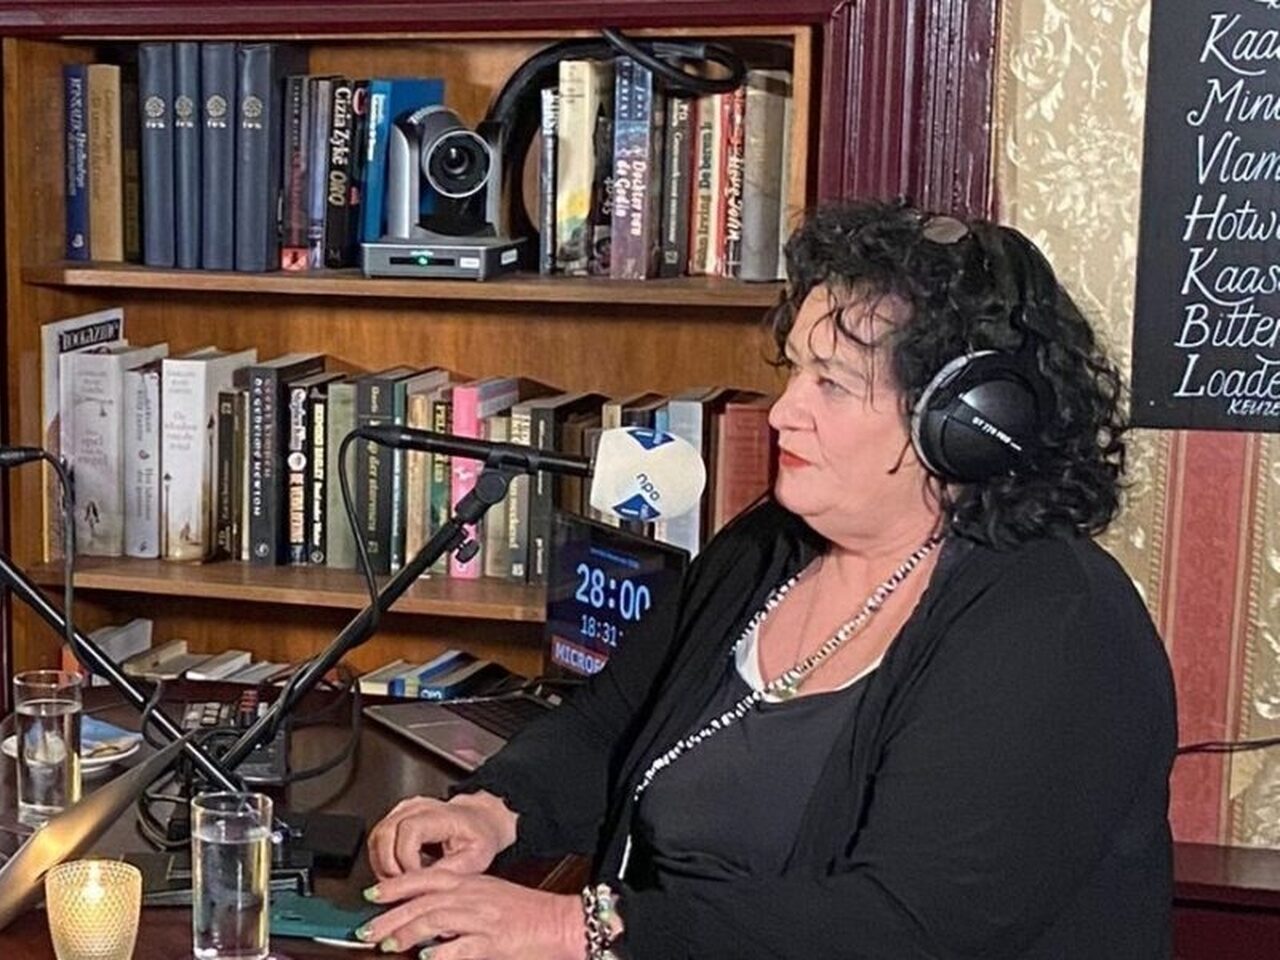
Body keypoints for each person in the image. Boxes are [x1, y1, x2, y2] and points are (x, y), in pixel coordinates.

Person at [356, 199, 1177, 960]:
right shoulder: (768, 546)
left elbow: (903, 926)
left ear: (963, 424)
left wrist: (580, 928)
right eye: (794, 371)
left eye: (832, 384)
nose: (784, 411)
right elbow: (614, 721)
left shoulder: (1057, 624)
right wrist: (493, 811)